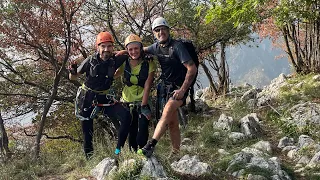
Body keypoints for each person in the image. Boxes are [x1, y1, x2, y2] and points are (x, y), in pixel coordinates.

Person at [137, 17, 198, 157]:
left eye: (163, 29)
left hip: (180, 89)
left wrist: (183, 90)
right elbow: (139, 50)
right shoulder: (156, 47)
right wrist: (119, 53)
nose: (160, 32)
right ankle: (176, 153)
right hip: (167, 88)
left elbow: (192, 68)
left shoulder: (177, 47)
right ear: (154, 33)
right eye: (157, 30)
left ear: (168, 30)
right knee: (172, 123)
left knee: (168, 110)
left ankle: (150, 146)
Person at [68, 31, 132, 159]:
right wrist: (72, 71)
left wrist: (124, 53)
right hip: (88, 97)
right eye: (103, 46)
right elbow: (73, 78)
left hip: (104, 97)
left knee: (126, 117)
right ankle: (90, 159)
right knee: (87, 131)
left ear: (112, 47)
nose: (106, 50)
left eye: (109, 46)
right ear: (98, 47)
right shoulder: (90, 61)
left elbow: (132, 52)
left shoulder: (116, 59)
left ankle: (118, 151)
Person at [114, 34, 155, 152]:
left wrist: (144, 105)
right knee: (131, 131)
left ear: (141, 48)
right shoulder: (124, 63)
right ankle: (132, 156)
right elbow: (113, 75)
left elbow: (148, 84)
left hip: (143, 100)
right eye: (130, 49)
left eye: (136, 48)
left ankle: (142, 153)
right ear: (127, 50)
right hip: (127, 101)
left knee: (142, 132)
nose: (133, 51)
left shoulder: (149, 62)